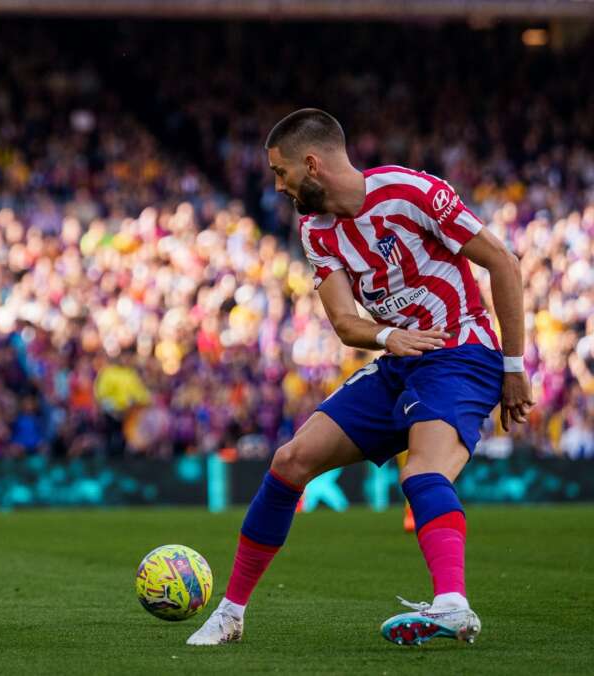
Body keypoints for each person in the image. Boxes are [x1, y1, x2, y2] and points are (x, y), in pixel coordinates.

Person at [187, 109, 533, 647]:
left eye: (280, 173)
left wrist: (514, 367)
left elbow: (504, 263)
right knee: (289, 461)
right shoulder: (316, 229)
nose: (277, 186)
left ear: (311, 164)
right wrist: (387, 338)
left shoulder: (412, 192)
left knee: (420, 475)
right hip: (397, 360)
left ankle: (452, 606)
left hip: (461, 352)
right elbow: (346, 323)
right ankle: (230, 615)